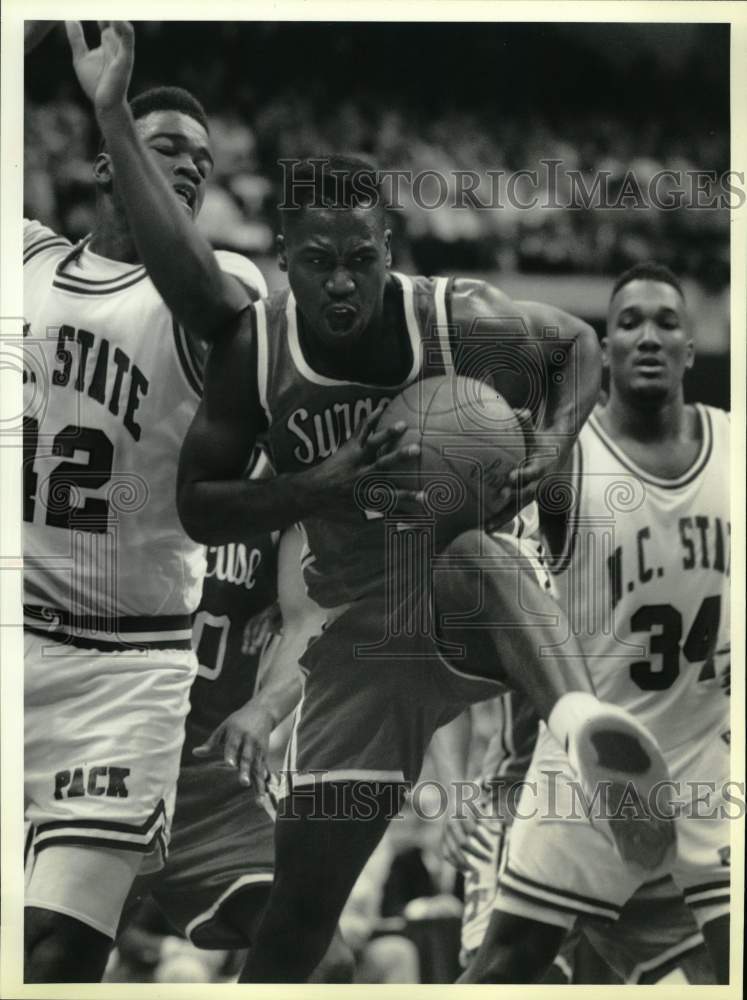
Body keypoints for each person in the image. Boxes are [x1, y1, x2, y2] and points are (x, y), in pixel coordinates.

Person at [74, 22, 677, 983]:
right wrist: (327, 482)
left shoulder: (450, 316)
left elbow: (574, 345)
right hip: (361, 639)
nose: (344, 281)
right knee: (298, 921)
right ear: (286, 253)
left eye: (362, 258)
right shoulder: (256, 351)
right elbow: (199, 506)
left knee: (468, 555)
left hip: (464, 604)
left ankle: (579, 737)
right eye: (320, 261)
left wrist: (554, 443)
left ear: (386, 246)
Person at [23, 22, 267, 982]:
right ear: (101, 162)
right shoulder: (28, 262)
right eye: (172, 149)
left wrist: (117, 107)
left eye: (203, 163)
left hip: (123, 669)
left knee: (58, 949)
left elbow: (205, 301)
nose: (192, 169)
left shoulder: (230, 288)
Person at [460, 263, 731, 984]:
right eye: (630, 323)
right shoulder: (561, 462)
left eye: (666, 322)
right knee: (506, 970)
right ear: (604, 349)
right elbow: (486, 574)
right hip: (587, 772)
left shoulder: (733, 448)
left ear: (691, 347)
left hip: (710, 760)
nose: (648, 336)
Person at [443, 692, 715, 984]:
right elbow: (447, 677)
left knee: (705, 970)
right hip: (522, 802)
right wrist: (455, 792)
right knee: (509, 977)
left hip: (634, 798)